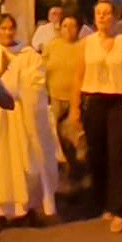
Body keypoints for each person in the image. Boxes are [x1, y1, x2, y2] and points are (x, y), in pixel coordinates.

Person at [70, 0, 122, 232]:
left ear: (116, 17)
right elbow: (78, 77)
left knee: (119, 154)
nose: (103, 17)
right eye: (98, 13)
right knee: (98, 155)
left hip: (121, 102)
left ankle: (120, 210)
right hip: (94, 102)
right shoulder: (86, 44)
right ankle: (104, 202)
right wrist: (75, 107)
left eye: (107, 13)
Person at [0, 13, 58, 221]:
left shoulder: (28, 54)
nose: (7, 33)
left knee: (27, 161)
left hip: (22, 115)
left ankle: (28, 206)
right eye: (3, 28)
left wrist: (18, 88)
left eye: (10, 28)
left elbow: (36, 83)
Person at [42, 16, 86, 188]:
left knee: (77, 137)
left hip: (77, 99)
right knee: (61, 139)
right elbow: (42, 68)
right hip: (56, 97)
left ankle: (81, 174)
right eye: (65, 26)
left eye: (72, 26)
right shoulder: (53, 46)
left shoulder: (83, 46)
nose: (68, 29)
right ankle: (72, 172)